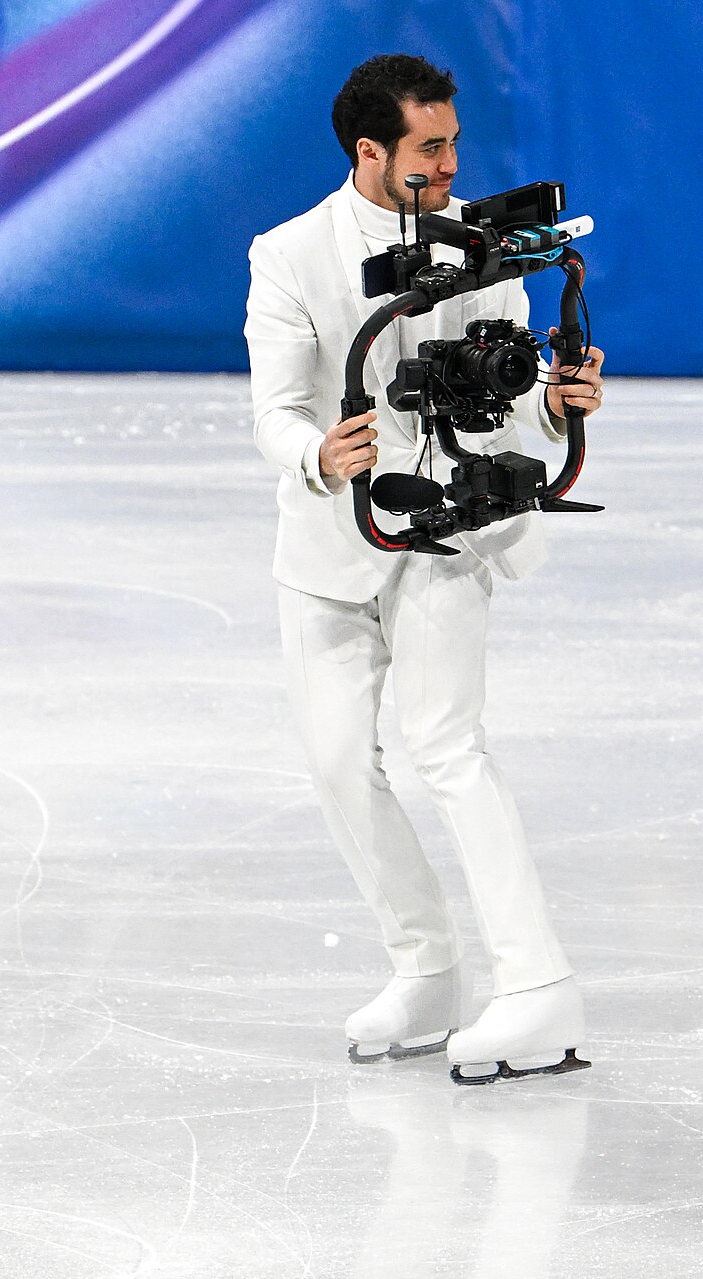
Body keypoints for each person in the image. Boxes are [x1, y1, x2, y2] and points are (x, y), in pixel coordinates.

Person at [244, 54, 605, 1082]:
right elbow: (273, 406)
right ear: (371, 152)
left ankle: (537, 987)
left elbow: (508, 383)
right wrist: (317, 455)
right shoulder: (289, 254)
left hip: (446, 527)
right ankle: (429, 969)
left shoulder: (483, 242)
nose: (450, 165)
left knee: (446, 749)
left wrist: (556, 403)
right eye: (429, 149)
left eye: (453, 143)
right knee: (333, 763)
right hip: (329, 538)